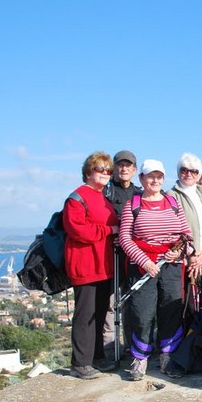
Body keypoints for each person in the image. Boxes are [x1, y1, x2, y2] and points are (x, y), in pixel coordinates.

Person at [119, 160, 193, 381]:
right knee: (143, 312)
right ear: (141, 178)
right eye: (150, 176)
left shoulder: (172, 203)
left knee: (170, 310)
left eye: (159, 176)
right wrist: (144, 261)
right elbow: (125, 238)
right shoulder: (132, 204)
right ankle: (139, 358)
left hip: (171, 264)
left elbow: (186, 234)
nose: (155, 180)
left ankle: (167, 356)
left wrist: (179, 252)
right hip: (142, 267)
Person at [63, 151, 119, 379]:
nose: (105, 173)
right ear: (88, 172)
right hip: (86, 265)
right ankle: (80, 363)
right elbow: (77, 230)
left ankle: (95, 358)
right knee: (85, 314)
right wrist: (109, 231)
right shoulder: (77, 197)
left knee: (98, 313)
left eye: (108, 170)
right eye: (100, 169)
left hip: (103, 265)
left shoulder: (101, 197)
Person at [101, 150, 143, 367]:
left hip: (133, 257)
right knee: (110, 305)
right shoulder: (105, 192)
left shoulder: (139, 194)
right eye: (120, 165)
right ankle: (110, 351)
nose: (124, 169)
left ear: (134, 170)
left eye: (128, 165)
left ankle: (131, 348)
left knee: (132, 303)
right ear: (114, 167)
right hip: (110, 257)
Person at [170, 153, 202, 308]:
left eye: (194, 171)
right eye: (184, 170)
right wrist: (192, 256)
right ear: (178, 172)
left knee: (201, 305)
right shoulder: (171, 196)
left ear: (198, 175)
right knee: (185, 306)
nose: (188, 174)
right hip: (185, 261)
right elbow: (173, 231)